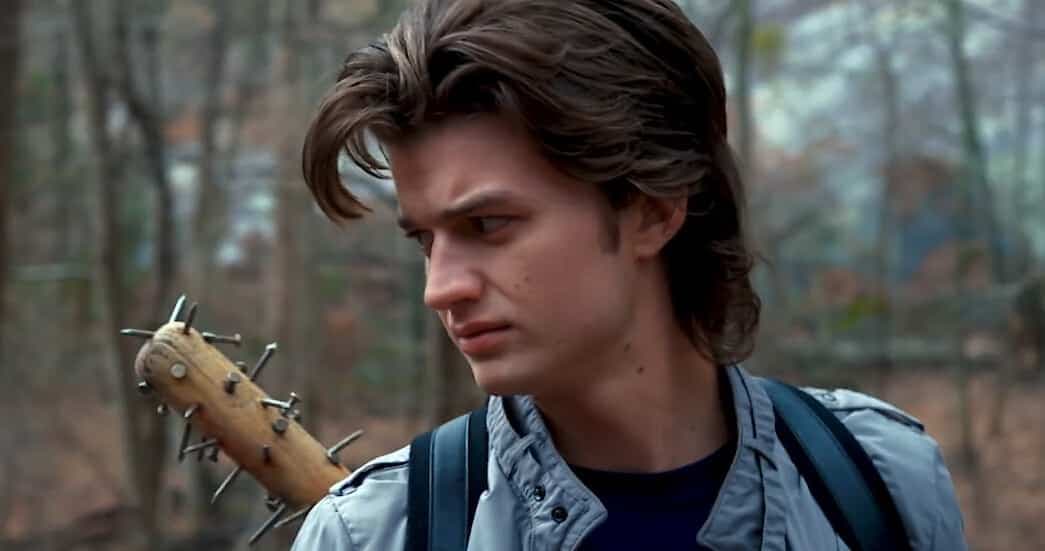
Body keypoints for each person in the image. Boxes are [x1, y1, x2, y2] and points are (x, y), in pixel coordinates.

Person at [290, 0, 967, 549]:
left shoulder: (875, 482)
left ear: (653, 208)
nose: (441, 288)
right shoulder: (375, 533)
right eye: (424, 240)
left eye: (488, 225)